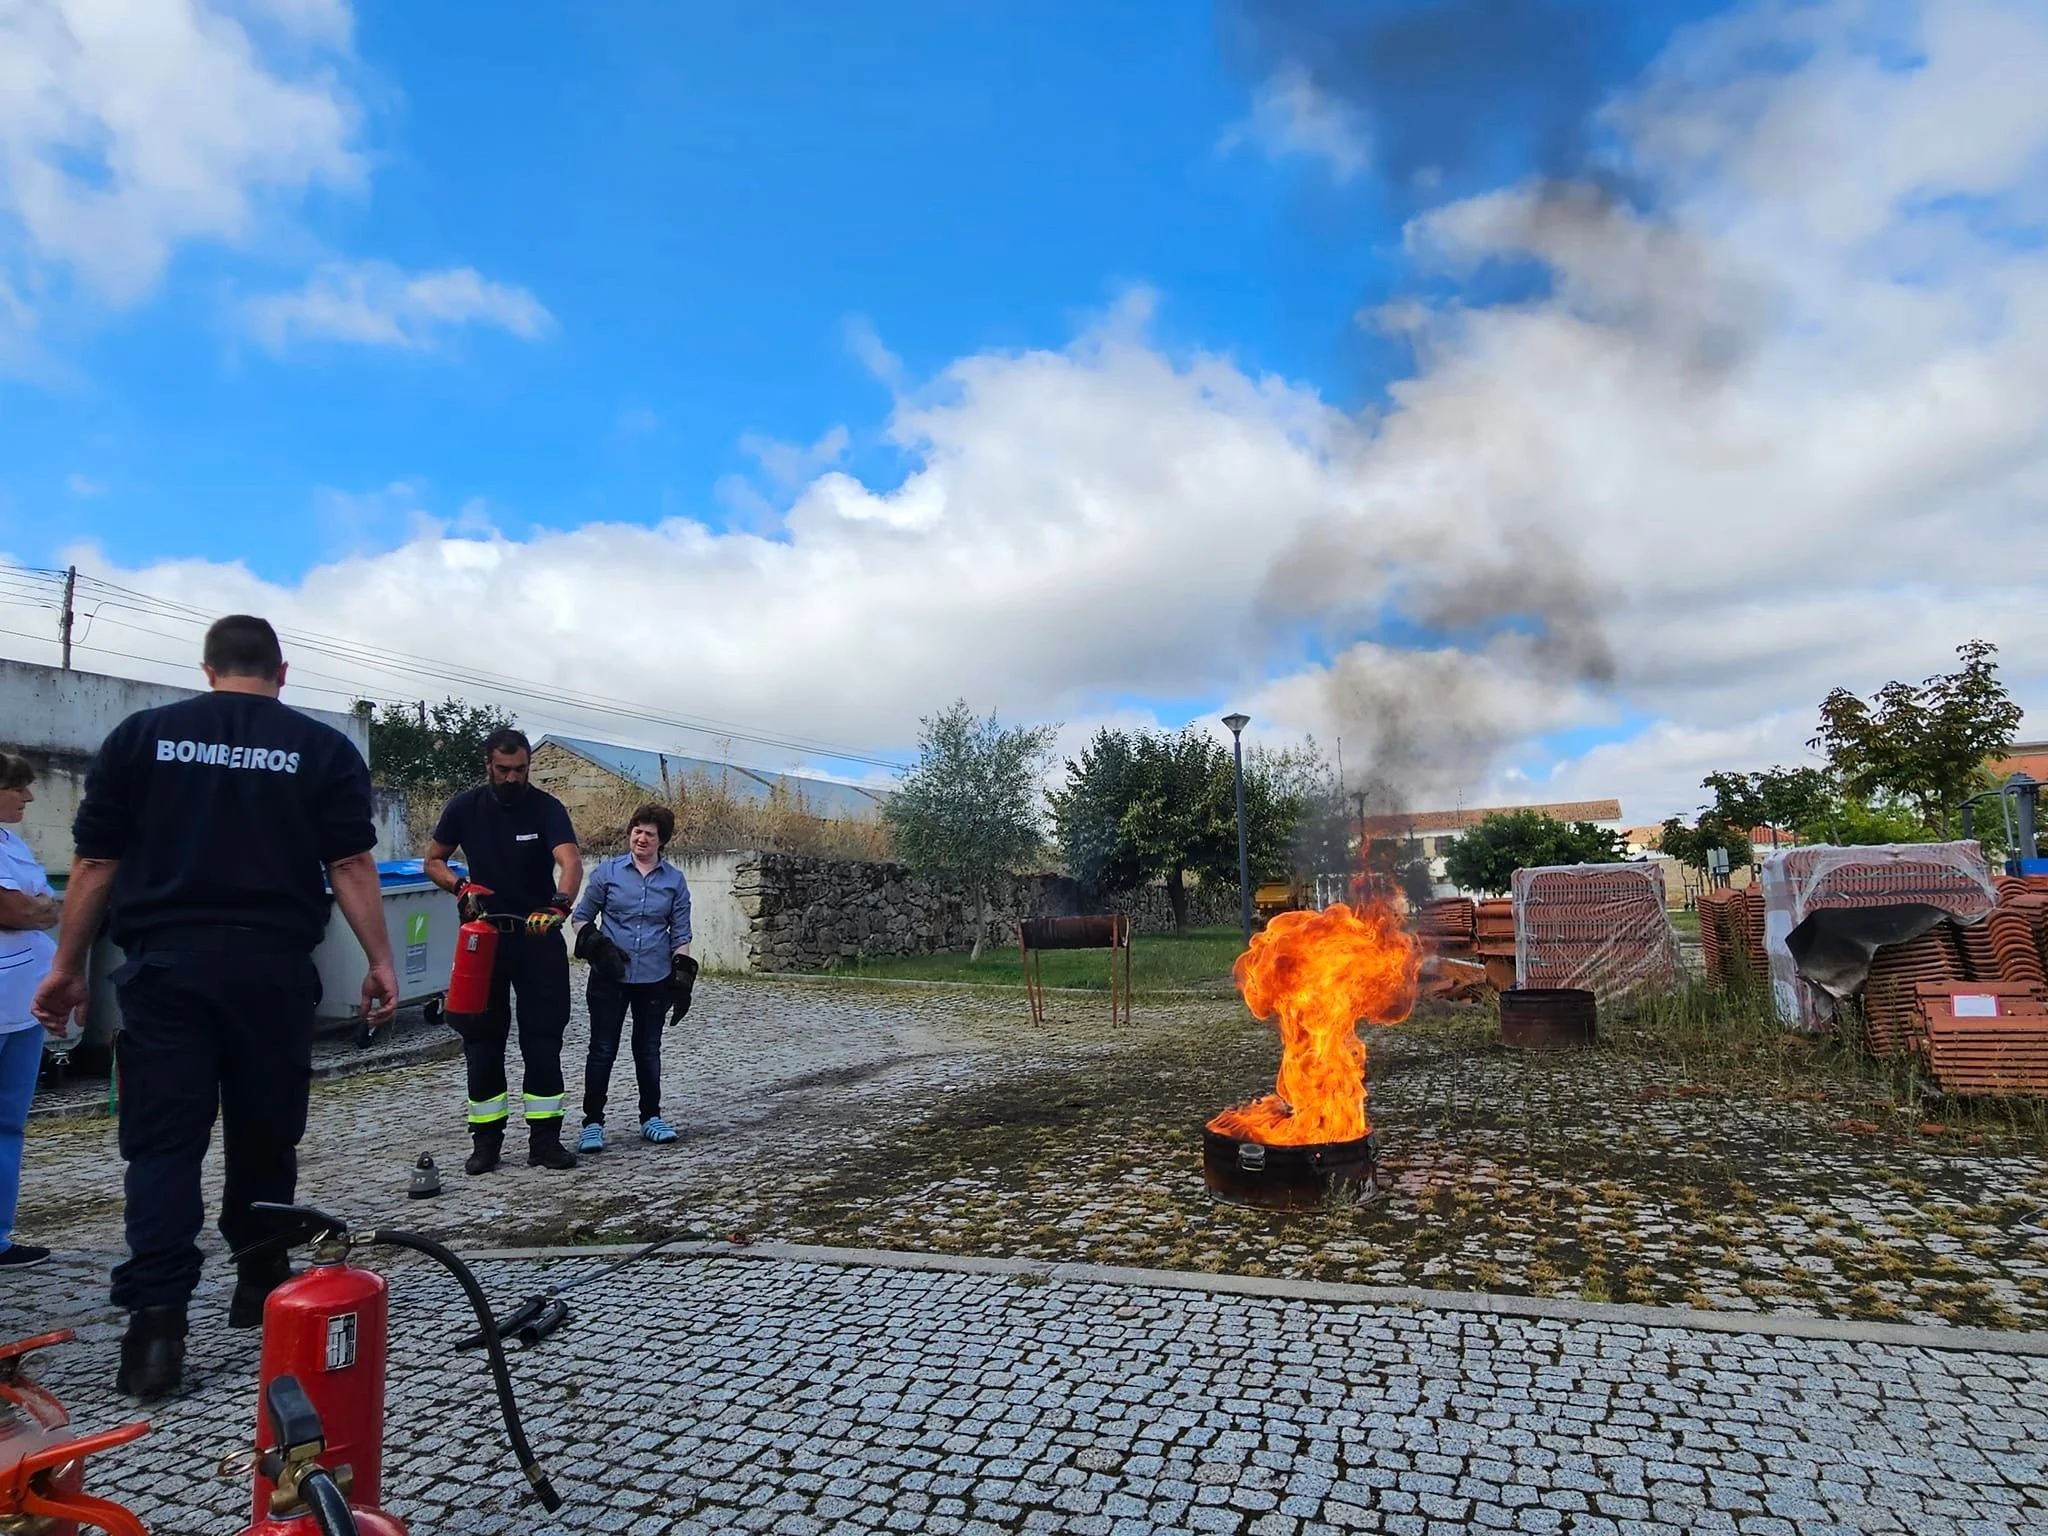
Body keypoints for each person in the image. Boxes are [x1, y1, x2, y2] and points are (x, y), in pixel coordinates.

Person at [30, 616, 398, 1400]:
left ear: (208, 668)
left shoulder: (141, 739)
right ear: (282, 672)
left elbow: (96, 861)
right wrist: (378, 959)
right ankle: (261, 1281)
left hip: (165, 970)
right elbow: (350, 863)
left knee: (162, 1146)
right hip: (269, 969)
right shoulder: (320, 749)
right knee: (266, 1131)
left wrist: (67, 966)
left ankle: (155, 1330)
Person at [423, 729, 582, 1174]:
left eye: (521, 770)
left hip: (537, 934)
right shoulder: (464, 807)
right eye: (503, 770)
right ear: (488, 765)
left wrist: (561, 903)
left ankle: (546, 1140)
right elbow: (432, 860)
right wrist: (459, 885)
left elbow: (570, 862)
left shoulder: (547, 808)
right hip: (485, 939)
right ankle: (487, 1142)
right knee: (481, 1040)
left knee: (544, 1037)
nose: (513, 778)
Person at [570, 804, 693, 1151]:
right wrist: (596, 945)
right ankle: (592, 1123)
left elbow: (681, 934)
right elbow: (580, 918)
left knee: (648, 1049)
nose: (641, 838)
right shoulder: (607, 873)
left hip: (654, 975)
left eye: (649, 833)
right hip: (609, 976)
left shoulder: (674, 882)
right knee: (602, 1050)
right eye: (637, 830)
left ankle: (651, 1117)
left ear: (661, 840)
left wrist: (682, 979)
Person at [0, 752, 58, 1272]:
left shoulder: (10, 843)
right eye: (17, 787)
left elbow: (47, 905)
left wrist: (32, 909)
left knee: (8, 1123)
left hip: (21, 1003)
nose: (27, 796)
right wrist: (31, 909)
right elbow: (16, 908)